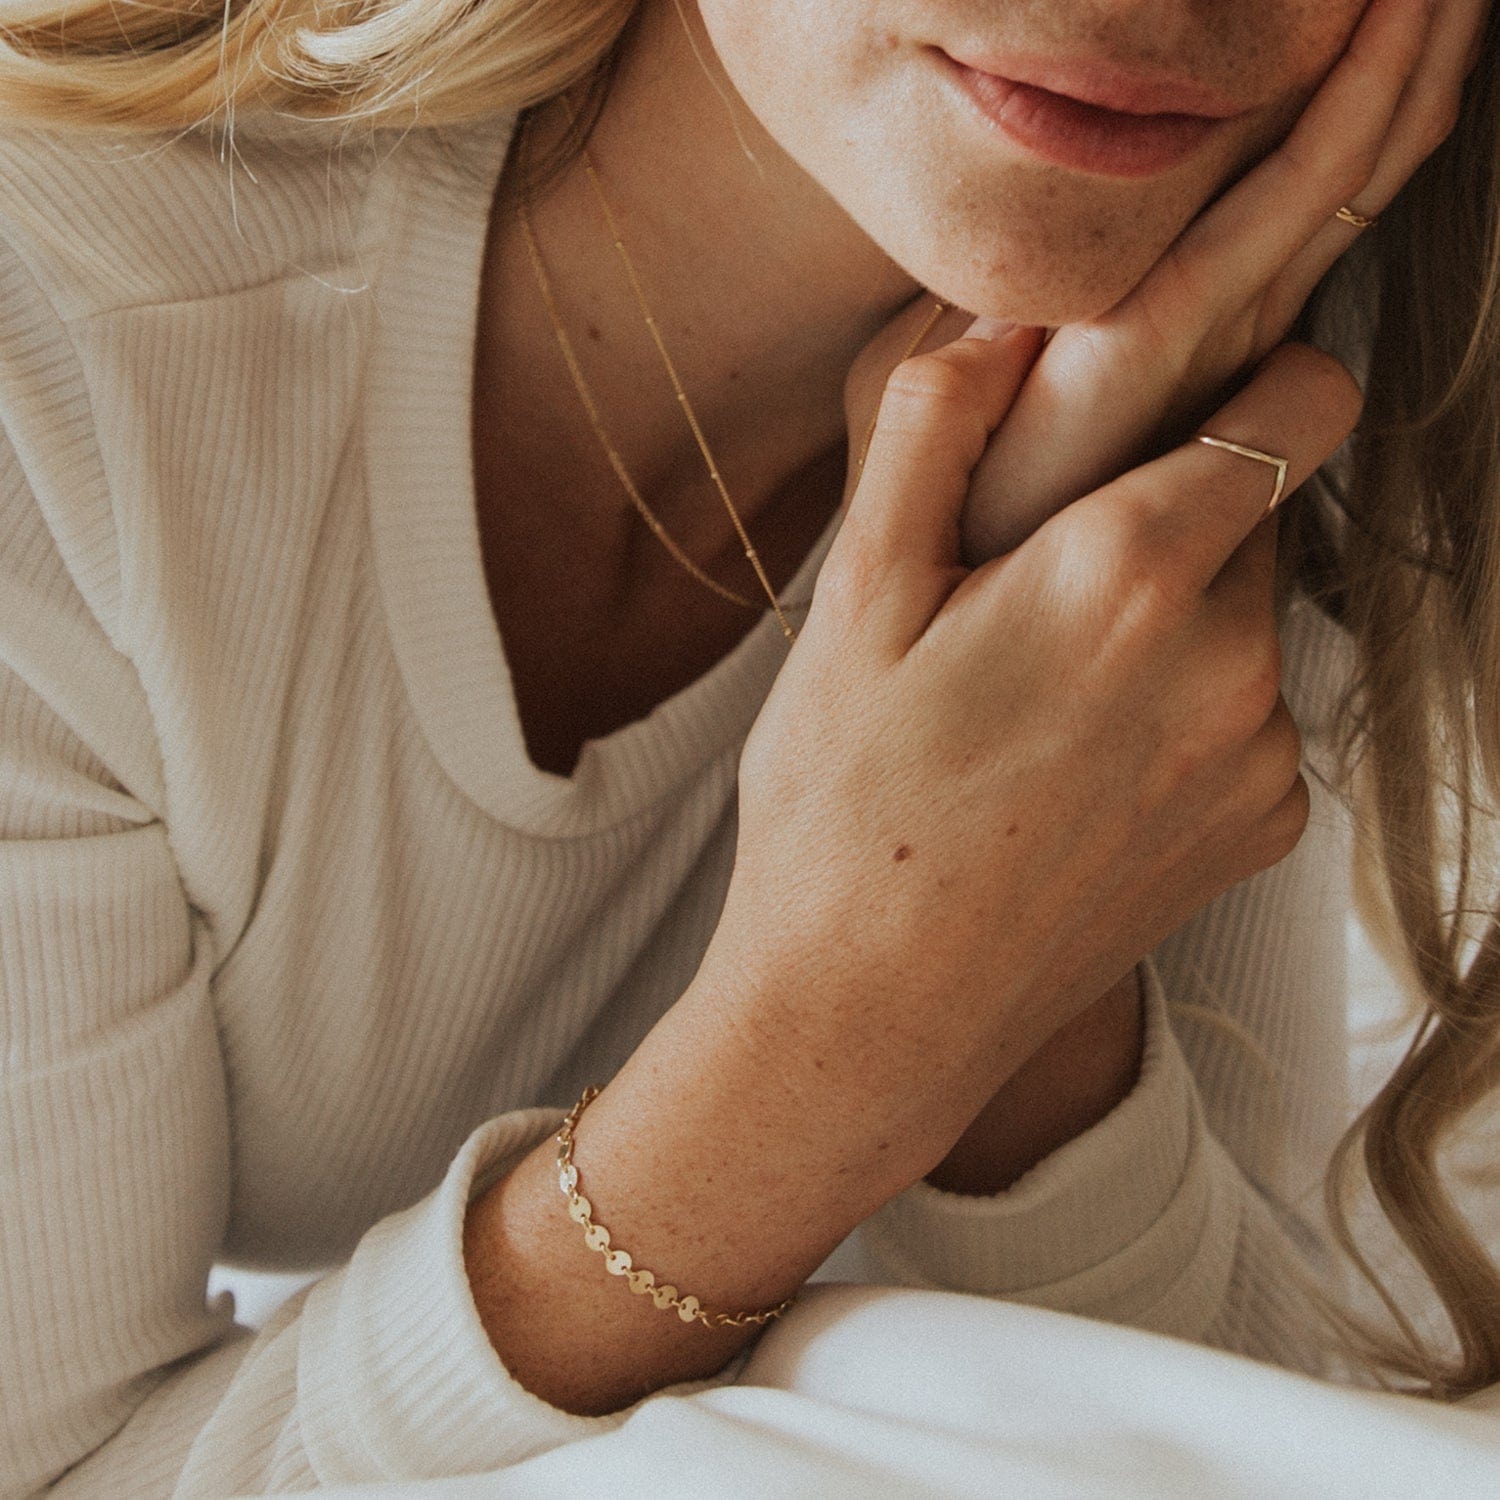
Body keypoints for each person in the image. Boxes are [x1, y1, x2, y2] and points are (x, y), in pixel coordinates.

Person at [0, 0, 1494, 1491]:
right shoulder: (49, 349)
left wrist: (1034, 932)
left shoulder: (1285, 383)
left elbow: (1209, 1432)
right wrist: (825, 1048)